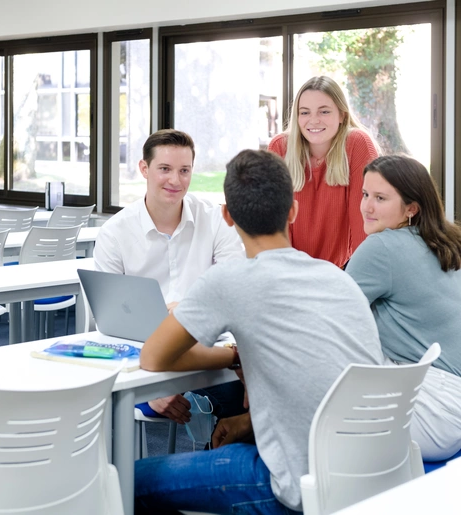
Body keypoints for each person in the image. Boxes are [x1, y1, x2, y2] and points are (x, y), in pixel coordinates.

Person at [135, 149, 385, 514]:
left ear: (227, 216)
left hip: (296, 489)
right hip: (371, 477)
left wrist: (231, 355)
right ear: (293, 211)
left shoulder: (231, 280)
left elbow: (154, 356)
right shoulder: (338, 278)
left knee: (131, 480)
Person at [94, 128, 245, 424]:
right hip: (143, 356)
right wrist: (147, 384)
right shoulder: (114, 233)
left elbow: (236, 289)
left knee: (249, 392)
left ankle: (213, 439)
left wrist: (190, 310)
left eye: (184, 170)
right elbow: (109, 325)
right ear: (144, 169)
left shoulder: (214, 219)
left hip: (209, 347)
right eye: (165, 169)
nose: (175, 181)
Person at [346, 154, 461, 461]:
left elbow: (331, 318)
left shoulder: (382, 247)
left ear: (411, 208)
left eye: (380, 198)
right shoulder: (447, 241)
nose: (367, 207)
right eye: (365, 194)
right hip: (450, 410)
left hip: (431, 411)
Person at [268, 75, 379, 268]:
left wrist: (360, 277)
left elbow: (364, 220)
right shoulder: (280, 148)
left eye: (324, 111)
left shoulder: (357, 144)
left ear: (342, 115)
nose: (314, 121)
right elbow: (275, 223)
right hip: (288, 268)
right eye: (305, 112)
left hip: (344, 268)